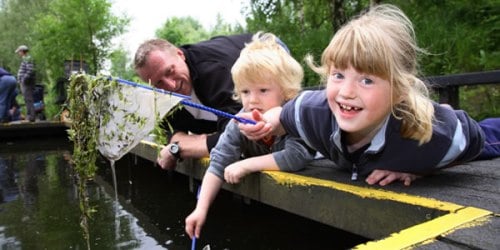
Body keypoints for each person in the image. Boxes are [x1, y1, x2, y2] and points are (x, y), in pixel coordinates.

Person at [238, 4, 500, 187]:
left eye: (366, 80)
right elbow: (284, 114)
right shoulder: (311, 111)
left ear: (399, 91)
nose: (346, 92)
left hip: (462, 133)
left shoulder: (438, 137)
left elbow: (474, 139)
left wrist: (422, 167)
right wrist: (268, 122)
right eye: (338, 75)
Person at [184, 32, 316, 240]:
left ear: (285, 90)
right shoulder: (240, 120)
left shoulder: (294, 114)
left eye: (263, 90)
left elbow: (297, 156)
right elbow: (219, 162)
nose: (252, 100)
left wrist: (246, 165)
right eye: (245, 92)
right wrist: (200, 209)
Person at [134, 34, 254, 170]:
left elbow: (239, 136)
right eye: (159, 83)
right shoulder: (162, 94)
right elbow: (167, 130)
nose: (171, 86)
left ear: (180, 55)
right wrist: (189, 142)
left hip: (267, 50)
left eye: (169, 71)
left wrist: (180, 148)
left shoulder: (214, 72)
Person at [15, 45, 36, 122]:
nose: (18, 54)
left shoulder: (28, 58)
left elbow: (30, 71)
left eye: (19, 52)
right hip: (25, 83)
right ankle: (29, 116)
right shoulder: (26, 59)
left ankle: (31, 117)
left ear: (22, 51)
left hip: (27, 84)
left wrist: (23, 80)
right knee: (27, 99)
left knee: (29, 99)